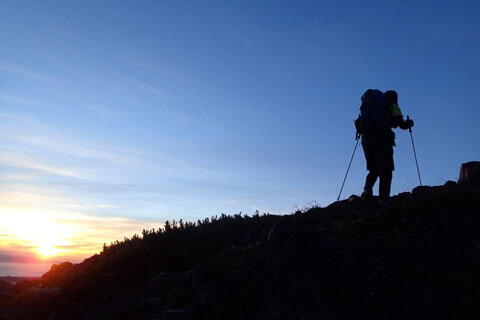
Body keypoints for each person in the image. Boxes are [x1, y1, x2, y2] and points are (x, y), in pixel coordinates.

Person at [355, 89, 414, 201]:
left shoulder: (371, 106)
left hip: (367, 139)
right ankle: (383, 199)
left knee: (374, 168)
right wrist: (409, 123)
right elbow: (400, 124)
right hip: (383, 138)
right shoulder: (392, 105)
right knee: (386, 169)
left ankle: (367, 190)